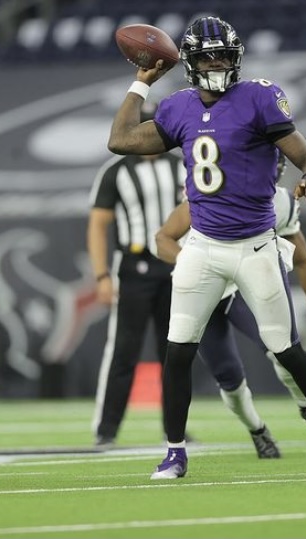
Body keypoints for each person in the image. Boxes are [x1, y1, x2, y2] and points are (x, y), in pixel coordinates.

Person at [108, 16, 306, 479]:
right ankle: (174, 452)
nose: (218, 62)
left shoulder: (259, 97)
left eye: (224, 54)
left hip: (255, 246)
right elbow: (120, 140)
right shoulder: (178, 106)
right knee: (178, 351)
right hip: (203, 245)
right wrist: (140, 83)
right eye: (208, 55)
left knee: (285, 351)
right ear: (189, 61)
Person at [155, 163, 306, 458]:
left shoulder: (281, 202)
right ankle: (257, 430)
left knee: (282, 349)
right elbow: (162, 238)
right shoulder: (211, 195)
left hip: (240, 286)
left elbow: (304, 260)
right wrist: (196, 270)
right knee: (228, 378)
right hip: (205, 290)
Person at [87, 101, 186, 449]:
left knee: (175, 350)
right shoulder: (116, 171)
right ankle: (107, 428)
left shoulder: (185, 164)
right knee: (124, 350)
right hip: (134, 267)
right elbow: (98, 224)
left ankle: (175, 428)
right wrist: (101, 275)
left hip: (177, 264)